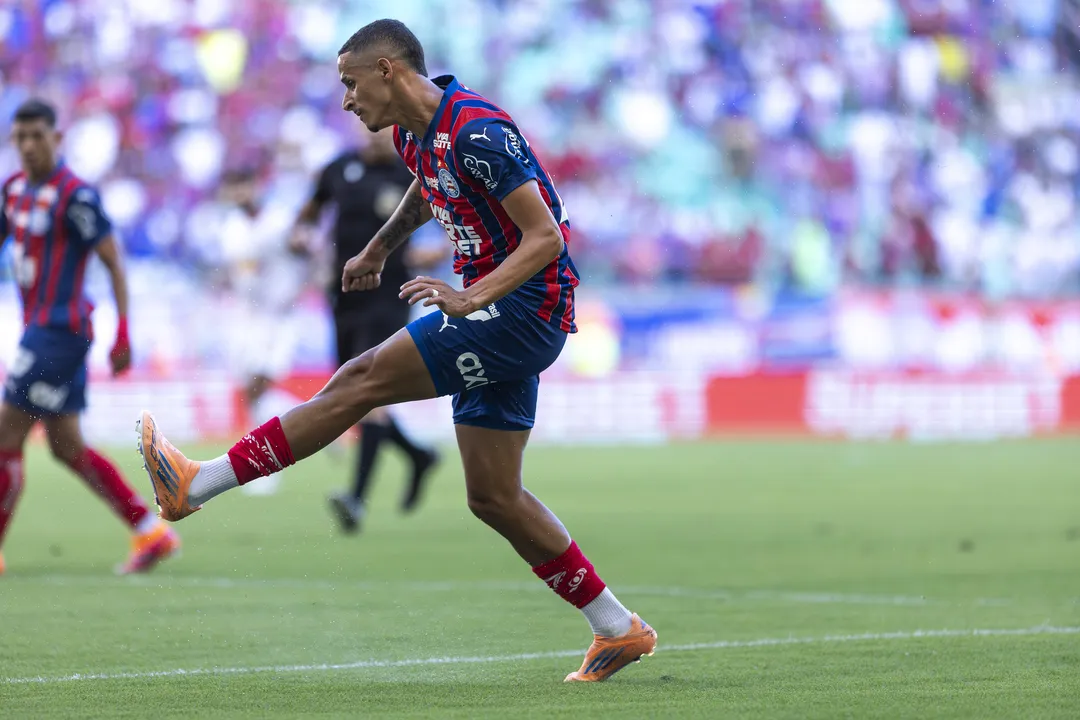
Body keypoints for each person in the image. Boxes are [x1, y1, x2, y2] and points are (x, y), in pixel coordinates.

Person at [138, 19, 656, 682]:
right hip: (502, 307)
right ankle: (618, 629)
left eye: (351, 84)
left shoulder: (477, 131)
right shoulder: (420, 133)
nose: (348, 101)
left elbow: (546, 237)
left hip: (521, 309)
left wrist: (472, 298)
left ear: (388, 70)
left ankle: (197, 483)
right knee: (494, 496)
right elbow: (426, 185)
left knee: (362, 378)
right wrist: (380, 247)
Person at [0, 99, 179, 575]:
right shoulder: (13, 190)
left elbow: (113, 260)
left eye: (38, 135)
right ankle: (151, 531)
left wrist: (123, 332)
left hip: (59, 331)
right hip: (42, 330)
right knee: (66, 447)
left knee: (5, 433)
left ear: (57, 139)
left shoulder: (75, 196)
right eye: (21, 138)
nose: (29, 146)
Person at [292, 125, 442, 533]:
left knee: (366, 389)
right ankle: (416, 455)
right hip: (343, 297)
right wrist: (302, 237)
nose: (373, 135)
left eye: (384, 131)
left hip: (389, 297)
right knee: (351, 391)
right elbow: (308, 215)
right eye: (367, 129)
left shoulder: (409, 174)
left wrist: (435, 253)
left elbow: (448, 225)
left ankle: (356, 499)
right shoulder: (338, 169)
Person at [217, 167, 311, 496]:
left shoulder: (279, 220)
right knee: (248, 390)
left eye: (244, 184)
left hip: (278, 315)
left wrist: (302, 280)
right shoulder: (231, 227)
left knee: (259, 385)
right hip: (246, 315)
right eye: (234, 187)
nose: (240, 193)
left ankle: (263, 463)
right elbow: (236, 270)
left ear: (256, 186)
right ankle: (309, 414)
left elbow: (306, 250)